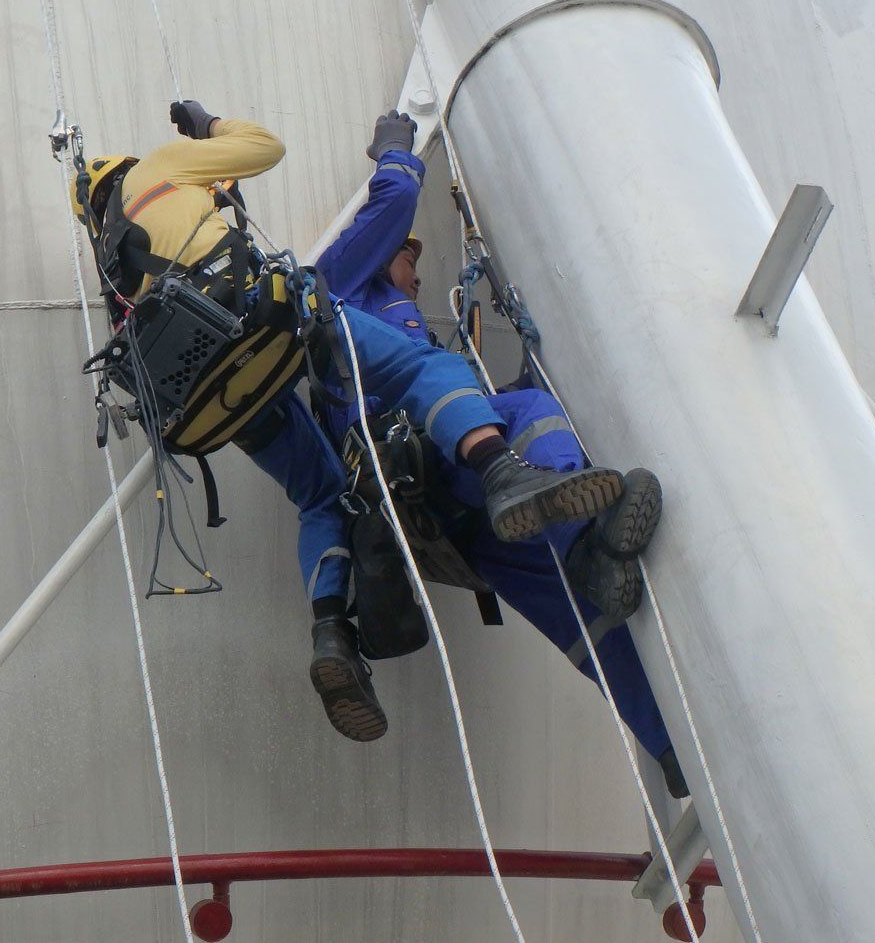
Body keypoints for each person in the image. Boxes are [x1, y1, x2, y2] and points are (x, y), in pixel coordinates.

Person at [74, 100, 627, 745]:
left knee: (318, 496)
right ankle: (505, 474)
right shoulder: (165, 171)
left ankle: (331, 627)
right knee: (428, 370)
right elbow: (265, 147)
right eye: (409, 262)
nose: (414, 273)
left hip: (217, 396)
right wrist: (211, 131)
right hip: (262, 327)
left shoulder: (113, 268)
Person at [314, 109, 688, 795]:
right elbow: (393, 202)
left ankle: (671, 748)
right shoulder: (338, 284)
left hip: (447, 509)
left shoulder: (388, 319)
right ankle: (588, 540)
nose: (418, 269)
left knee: (577, 617)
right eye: (408, 253)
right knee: (535, 413)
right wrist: (395, 147)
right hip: (414, 461)